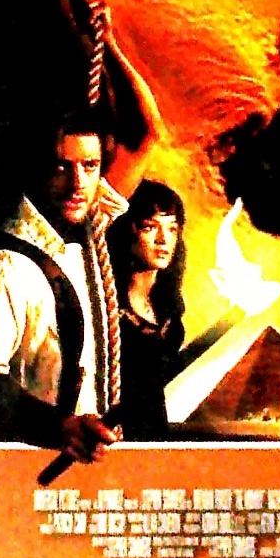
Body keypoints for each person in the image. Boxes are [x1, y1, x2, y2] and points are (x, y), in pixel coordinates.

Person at [0, 106, 126, 463]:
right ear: (36, 167)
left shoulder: (85, 243)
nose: (78, 184)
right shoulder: (5, 269)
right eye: (62, 167)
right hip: (29, 467)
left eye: (90, 166)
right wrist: (58, 427)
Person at [105, 180, 187, 439]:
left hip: (156, 436)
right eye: (150, 227)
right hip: (113, 437)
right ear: (129, 231)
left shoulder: (168, 307)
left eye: (172, 229)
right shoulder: (106, 303)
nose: (163, 240)